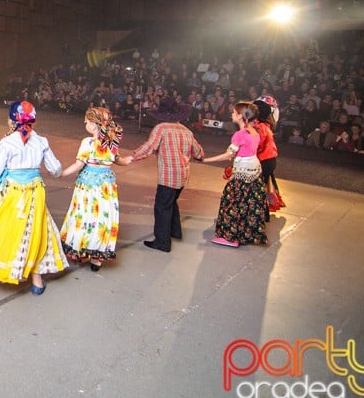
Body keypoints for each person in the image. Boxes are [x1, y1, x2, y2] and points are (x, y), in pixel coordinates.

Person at [0, 101, 67, 295]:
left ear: (12, 121)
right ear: (33, 121)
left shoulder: (7, 143)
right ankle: (37, 280)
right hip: (35, 192)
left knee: (0, 228)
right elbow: (55, 169)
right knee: (35, 231)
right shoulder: (41, 141)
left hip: (12, 192)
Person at [123, 98, 204, 253]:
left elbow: (149, 146)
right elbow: (199, 152)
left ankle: (162, 242)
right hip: (183, 174)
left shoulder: (161, 128)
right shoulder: (187, 131)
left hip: (169, 174)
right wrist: (200, 157)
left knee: (162, 207)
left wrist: (132, 156)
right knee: (171, 201)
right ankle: (175, 231)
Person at [58, 107, 126, 271]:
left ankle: (81, 249)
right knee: (102, 217)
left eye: (87, 121)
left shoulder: (87, 143)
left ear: (94, 124)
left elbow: (79, 164)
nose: (85, 124)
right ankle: (98, 258)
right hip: (105, 186)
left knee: (85, 215)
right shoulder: (111, 142)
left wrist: (61, 173)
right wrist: (128, 160)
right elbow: (117, 160)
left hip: (88, 185)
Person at [202, 101, 268, 248]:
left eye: (233, 112)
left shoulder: (240, 135)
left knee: (232, 202)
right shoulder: (255, 132)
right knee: (247, 203)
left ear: (240, 116)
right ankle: (245, 234)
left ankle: (230, 237)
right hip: (254, 172)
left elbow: (228, 155)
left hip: (242, 173)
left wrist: (205, 160)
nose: (232, 114)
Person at [253, 96, 284, 218]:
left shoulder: (260, 127)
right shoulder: (265, 125)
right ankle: (263, 212)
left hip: (263, 160)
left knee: (256, 187)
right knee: (263, 186)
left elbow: (256, 146)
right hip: (269, 160)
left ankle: (259, 213)